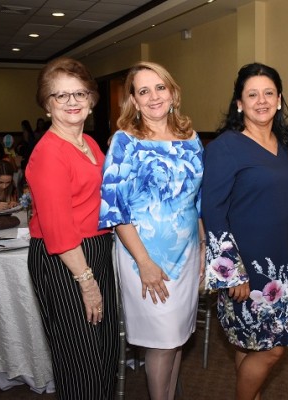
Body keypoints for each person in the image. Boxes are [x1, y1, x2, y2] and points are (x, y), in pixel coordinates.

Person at [98, 61, 204, 400]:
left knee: (176, 340)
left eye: (160, 87)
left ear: (172, 92)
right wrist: (144, 261)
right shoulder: (124, 141)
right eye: (144, 91)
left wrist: (202, 248)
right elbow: (115, 210)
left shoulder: (190, 137)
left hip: (186, 255)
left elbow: (195, 198)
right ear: (134, 100)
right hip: (141, 257)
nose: (154, 96)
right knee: (161, 342)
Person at [202, 63, 288, 400]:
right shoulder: (224, 147)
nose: (262, 100)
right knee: (272, 350)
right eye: (252, 94)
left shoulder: (286, 146)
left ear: (279, 99)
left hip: (283, 266)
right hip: (246, 271)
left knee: (249, 347)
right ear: (239, 103)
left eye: (269, 93)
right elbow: (212, 212)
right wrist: (232, 273)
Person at [26, 57, 119, 399]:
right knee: (80, 359)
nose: (72, 102)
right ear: (47, 105)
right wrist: (87, 282)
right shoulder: (48, 153)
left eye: (79, 93)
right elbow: (59, 228)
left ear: (91, 100)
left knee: (103, 351)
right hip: (65, 260)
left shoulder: (90, 144)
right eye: (60, 96)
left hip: (94, 252)